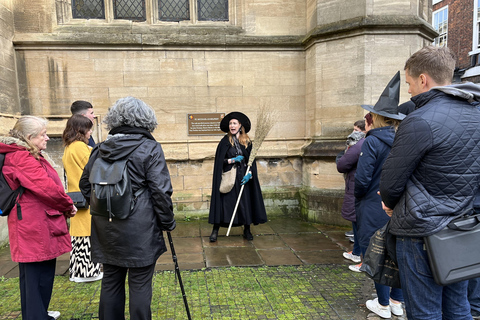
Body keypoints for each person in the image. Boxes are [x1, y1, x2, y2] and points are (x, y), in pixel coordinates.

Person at [379, 46, 480, 320]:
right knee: (459, 307)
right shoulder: (476, 113)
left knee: (424, 311)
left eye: (410, 84)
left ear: (423, 79)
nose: (409, 91)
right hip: (464, 226)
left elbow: (391, 181)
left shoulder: (419, 120)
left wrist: (389, 204)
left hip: (422, 230)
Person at [79, 96, 176, 320]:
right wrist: (167, 221)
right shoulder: (150, 148)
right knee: (140, 282)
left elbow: (86, 186)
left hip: (106, 228)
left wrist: (104, 207)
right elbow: (161, 191)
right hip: (139, 229)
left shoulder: (100, 149)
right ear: (145, 120)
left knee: (111, 279)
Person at [0, 116, 77, 320]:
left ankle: (38, 314)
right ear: (29, 137)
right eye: (43, 134)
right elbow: (47, 189)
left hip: (35, 223)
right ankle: (36, 316)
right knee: (36, 277)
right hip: (34, 225)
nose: (47, 138)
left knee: (37, 276)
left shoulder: (26, 154)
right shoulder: (21, 157)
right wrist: (68, 206)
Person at [354, 72, 405, 318]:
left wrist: (359, 199)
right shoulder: (404, 140)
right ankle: (397, 301)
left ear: (375, 118)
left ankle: (382, 305)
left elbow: (362, 180)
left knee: (376, 253)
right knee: (398, 253)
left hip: (374, 205)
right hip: (398, 205)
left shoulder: (371, 143)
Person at [208, 111, 267, 242]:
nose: (232, 126)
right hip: (229, 177)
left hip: (243, 177)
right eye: (230, 123)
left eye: (234, 123)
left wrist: (250, 175)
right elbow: (219, 163)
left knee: (245, 202)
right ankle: (215, 230)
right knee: (224, 204)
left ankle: (247, 230)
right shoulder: (224, 142)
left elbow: (252, 162)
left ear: (240, 125)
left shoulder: (247, 142)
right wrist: (232, 160)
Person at [62, 114, 103, 283]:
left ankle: (78, 271)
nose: (91, 132)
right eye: (88, 128)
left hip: (76, 194)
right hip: (85, 195)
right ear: (81, 130)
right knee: (86, 235)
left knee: (80, 235)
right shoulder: (79, 147)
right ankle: (86, 272)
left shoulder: (70, 147)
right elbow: (94, 167)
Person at [337, 120, 365, 264]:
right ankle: (356, 252)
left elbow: (343, 163)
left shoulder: (361, 144)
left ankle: (360, 257)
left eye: (357, 130)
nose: (354, 133)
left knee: (359, 223)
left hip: (357, 187)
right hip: (357, 186)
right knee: (356, 221)